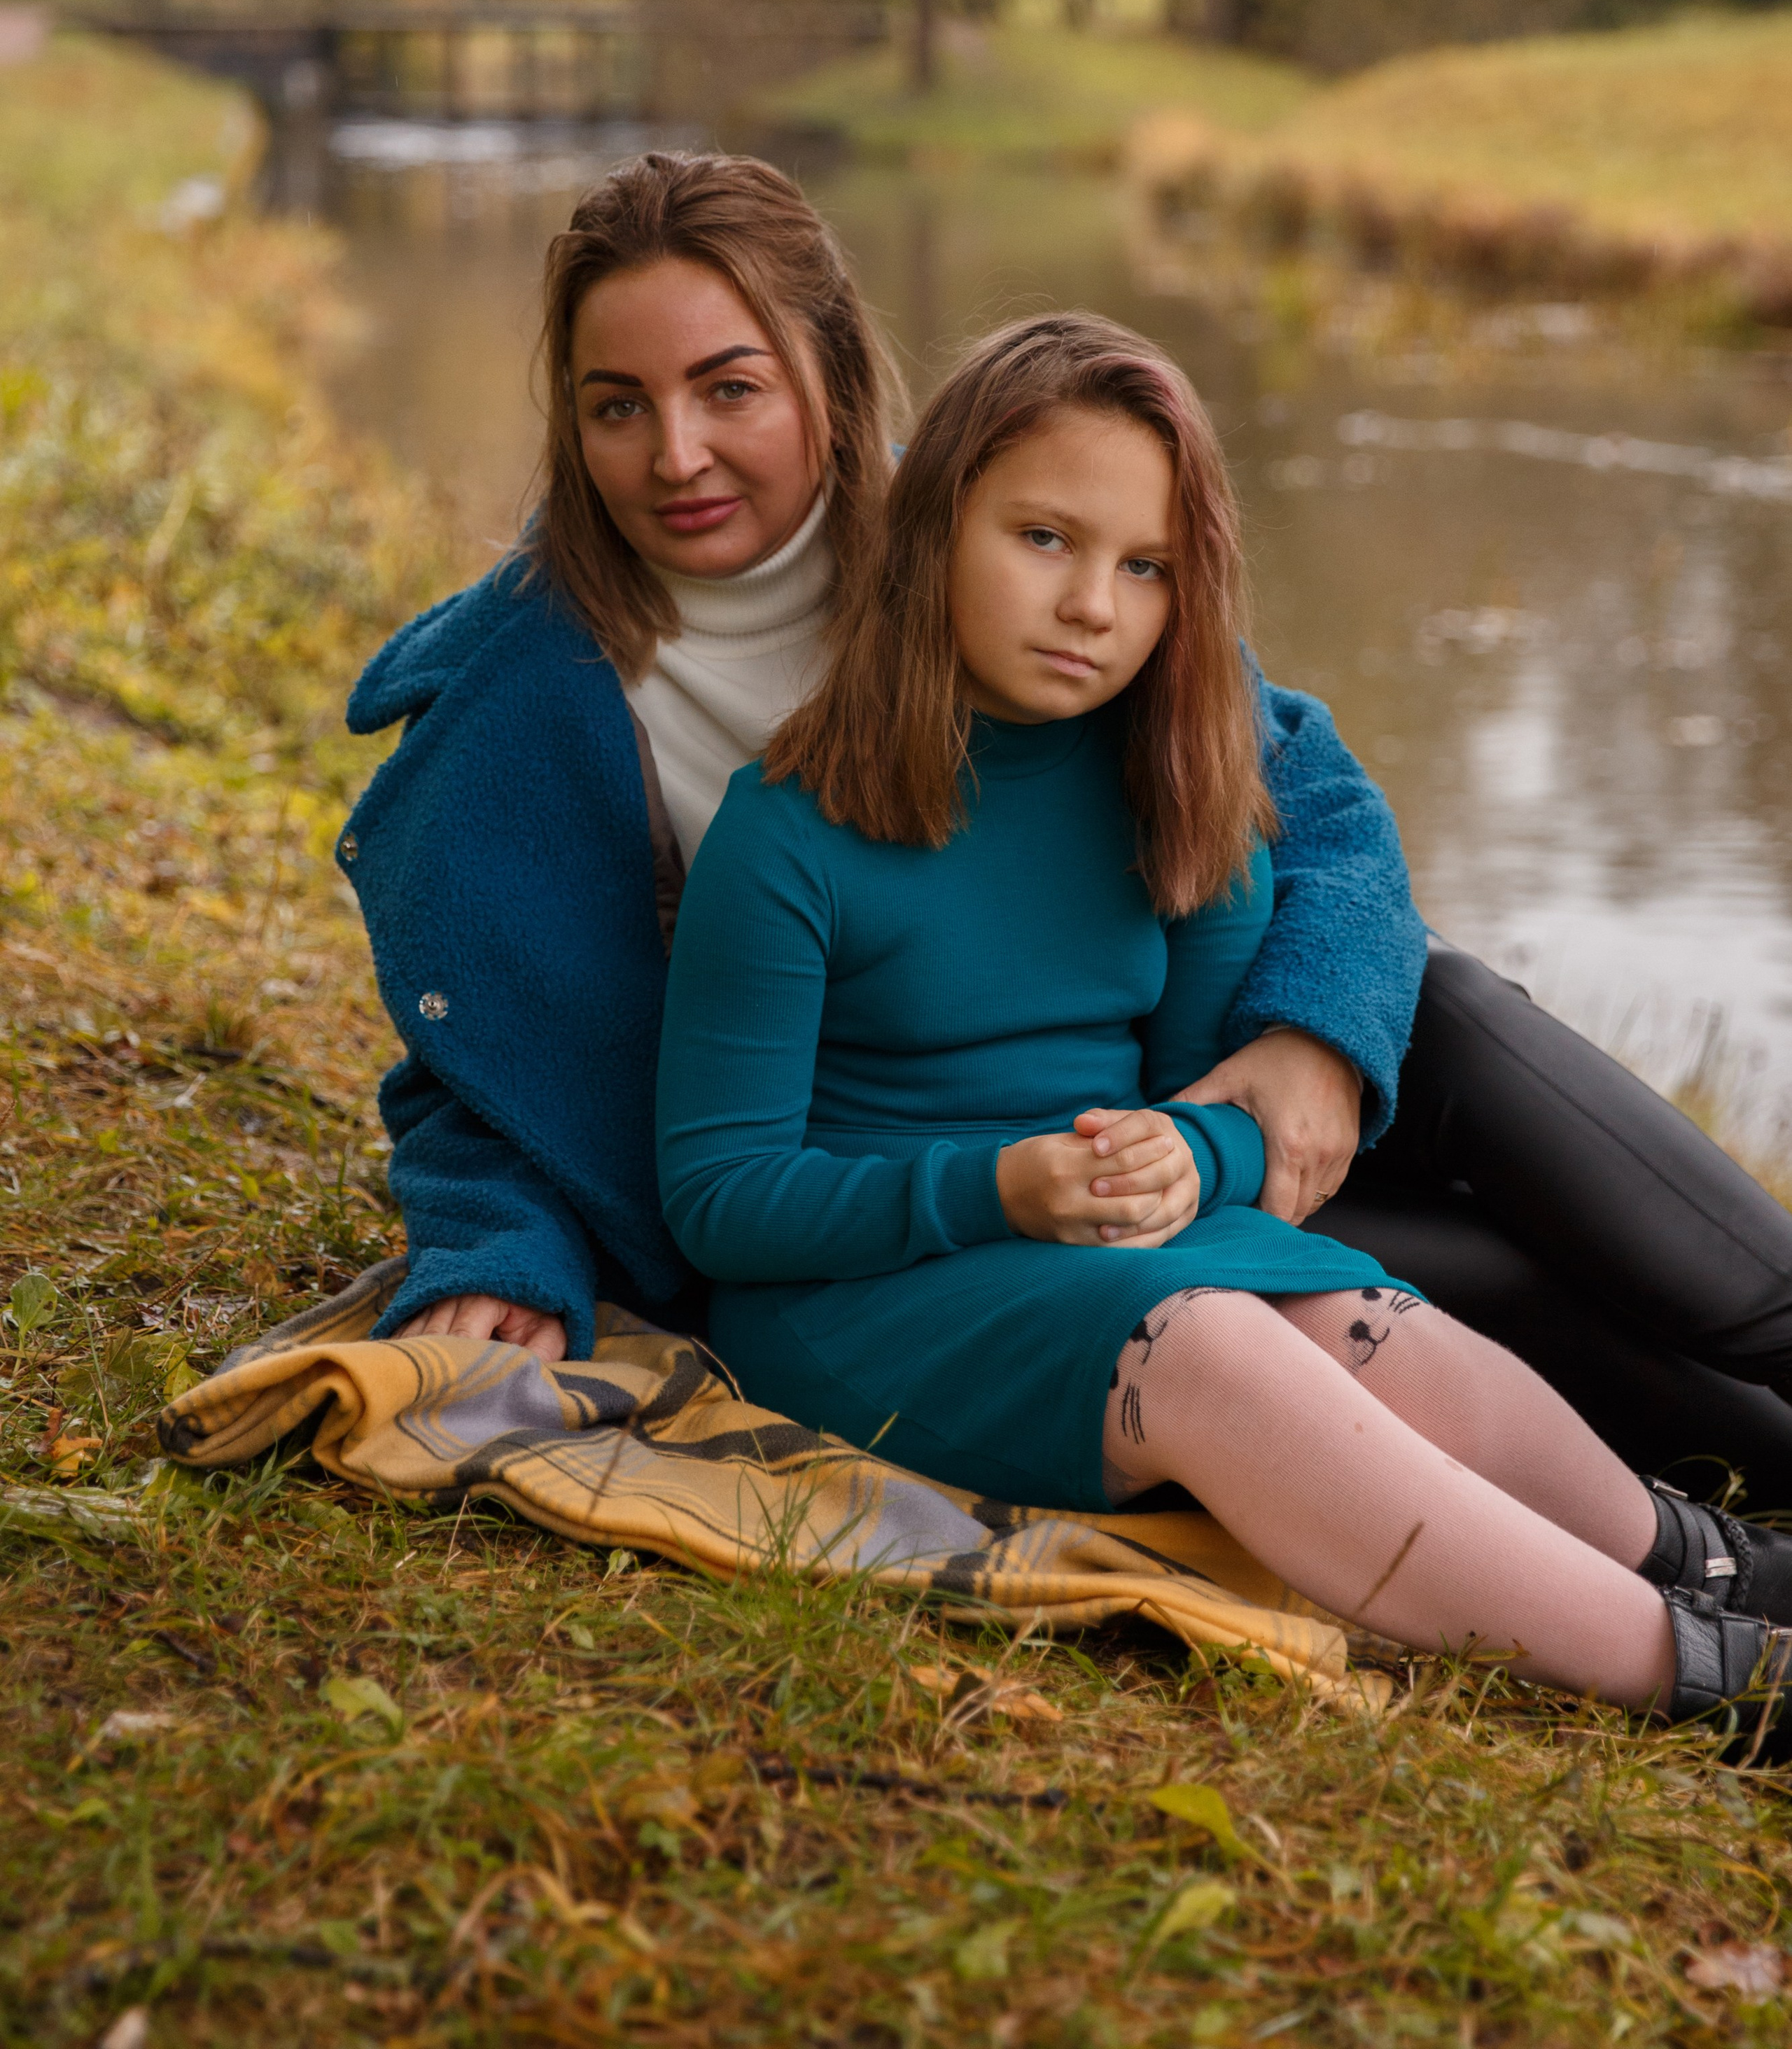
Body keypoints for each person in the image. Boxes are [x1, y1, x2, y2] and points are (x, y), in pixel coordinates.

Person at [336, 149, 1792, 1502]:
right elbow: (492, 1047)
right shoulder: (523, 703)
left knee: (1450, 1011)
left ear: (831, 372)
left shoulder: (991, 535)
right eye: (616, 406)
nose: (677, 455)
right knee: (1502, 1278)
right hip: (930, 1210)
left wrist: (1314, 1039)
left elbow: (1310, 793)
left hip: (1181, 1104)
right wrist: (505, 1244)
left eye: (731, 390)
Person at [654, 311, 1792, 1737]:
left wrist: (1196, 1156)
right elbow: (717, 1199)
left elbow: (1225, 1111)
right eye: (1044, 540)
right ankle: (1710, 1678)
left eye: (1144, 568)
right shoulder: (789, 831)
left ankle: (1710, 1563)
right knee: (1208, 1348)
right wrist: (997, 1185)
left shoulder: (1174, 786)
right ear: (932, 526)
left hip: (1114, 1250)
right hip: (864, 1295)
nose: (1092, 606)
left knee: (1375, 1327)